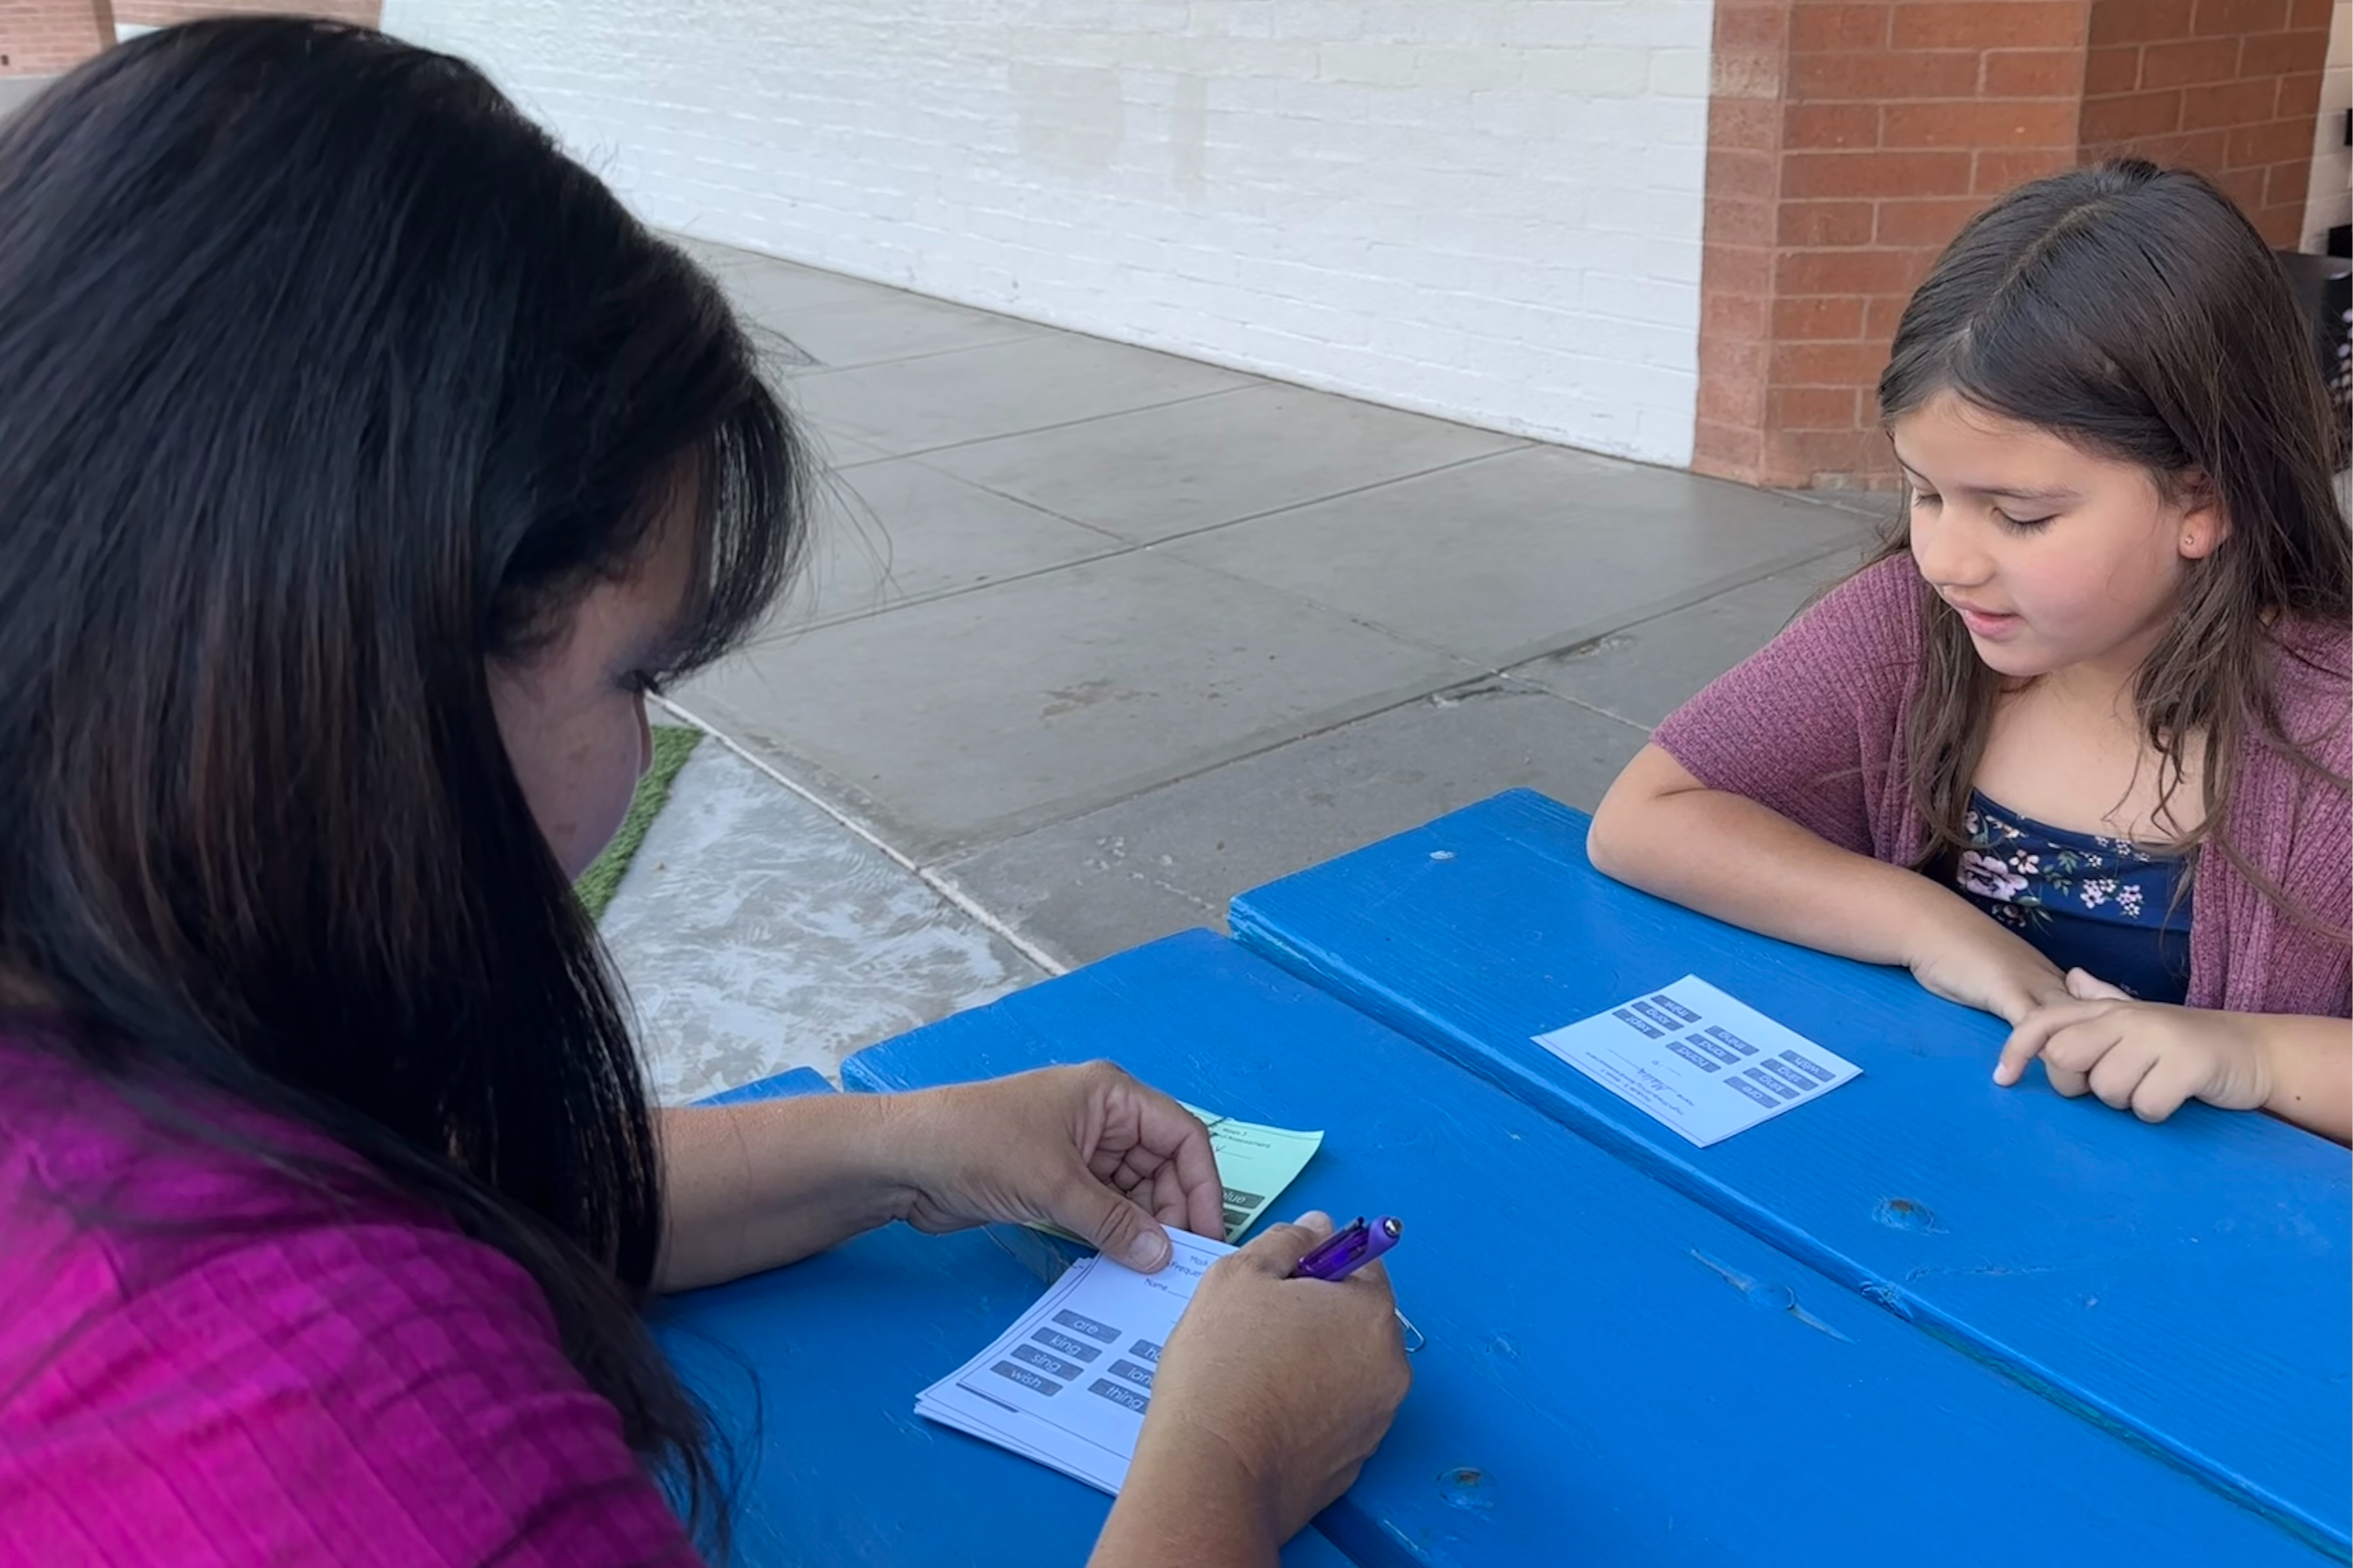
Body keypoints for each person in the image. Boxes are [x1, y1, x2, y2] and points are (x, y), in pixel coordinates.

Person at [0, 20, 1406, 1567]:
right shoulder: (333, 1422)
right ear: (344, 660)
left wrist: (911, 1141)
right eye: (634, 680)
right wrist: (1223, 1458)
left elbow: (475, 1182)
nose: (641, 755)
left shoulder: (116, 1072)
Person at [1589, 161, 2351, 1143]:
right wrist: (1925, 922)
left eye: (2020, 515)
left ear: (2202, 500)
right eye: (1926, 493)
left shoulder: (2328, 724)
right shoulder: (1909, 627)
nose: (1945, 559)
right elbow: (1644, 819)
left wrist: (2251, 1054)